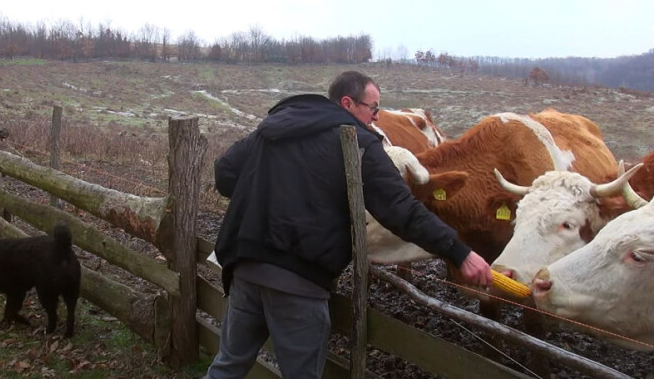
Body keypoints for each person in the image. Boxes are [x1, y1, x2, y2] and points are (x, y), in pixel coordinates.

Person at [204, 70, 491, 379]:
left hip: (245, 267)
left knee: (227, 367)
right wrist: (459, 252)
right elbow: (402, 210)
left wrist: (267, 195)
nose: (378, 118)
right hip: (298, 283)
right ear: (348, 103)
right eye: (374, 108)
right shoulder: (358, 144)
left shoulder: (274, 127)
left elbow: (225, 173)